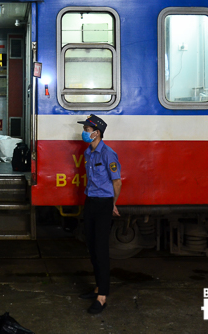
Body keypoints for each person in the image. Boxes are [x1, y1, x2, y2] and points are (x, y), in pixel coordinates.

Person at [76, 114, 122, 314]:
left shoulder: (108, 154)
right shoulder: (88, 153)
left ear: (97, 133)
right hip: (90, 202)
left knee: (101, 250)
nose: (84, 132)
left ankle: (102, 297)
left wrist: (113, 203)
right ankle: (97, 287)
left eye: (87, 129)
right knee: (92, 247)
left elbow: (117, 182)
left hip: (103, 204)